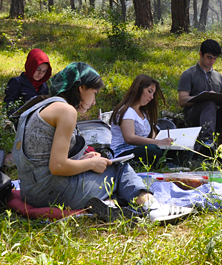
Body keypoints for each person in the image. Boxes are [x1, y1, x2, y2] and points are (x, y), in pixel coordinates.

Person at [12, 62, 193, 222]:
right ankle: (153, 208)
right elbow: (57, 166)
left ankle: (111, 203)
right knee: (119, 168)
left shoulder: (37, 108)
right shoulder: (66, 111)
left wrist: (83, 161)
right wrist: (92, 162)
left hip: (30, 192)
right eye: (94, 93)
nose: (94, 101)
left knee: (110, 173)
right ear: (81, 88)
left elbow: (43, 158)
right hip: (50, 192)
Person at [110, 74, 190, 167]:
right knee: (152, 150)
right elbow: (129, 138)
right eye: (149, 91)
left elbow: (152, 137)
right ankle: (166, 164)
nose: (151, 97)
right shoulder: (127, 111)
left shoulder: (143, 113)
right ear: (138, 89)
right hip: (124, 154)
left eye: (153, 94)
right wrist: (158, 142)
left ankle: (170, 164)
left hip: (145, 149)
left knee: (184, 149)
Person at [4, 48, 52, 118]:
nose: (40, 73)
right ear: (31, 66)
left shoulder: (43, 86)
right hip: (21, 121)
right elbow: (8, 106)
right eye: (38, 69)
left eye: (44, 71)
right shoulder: (16, 82)